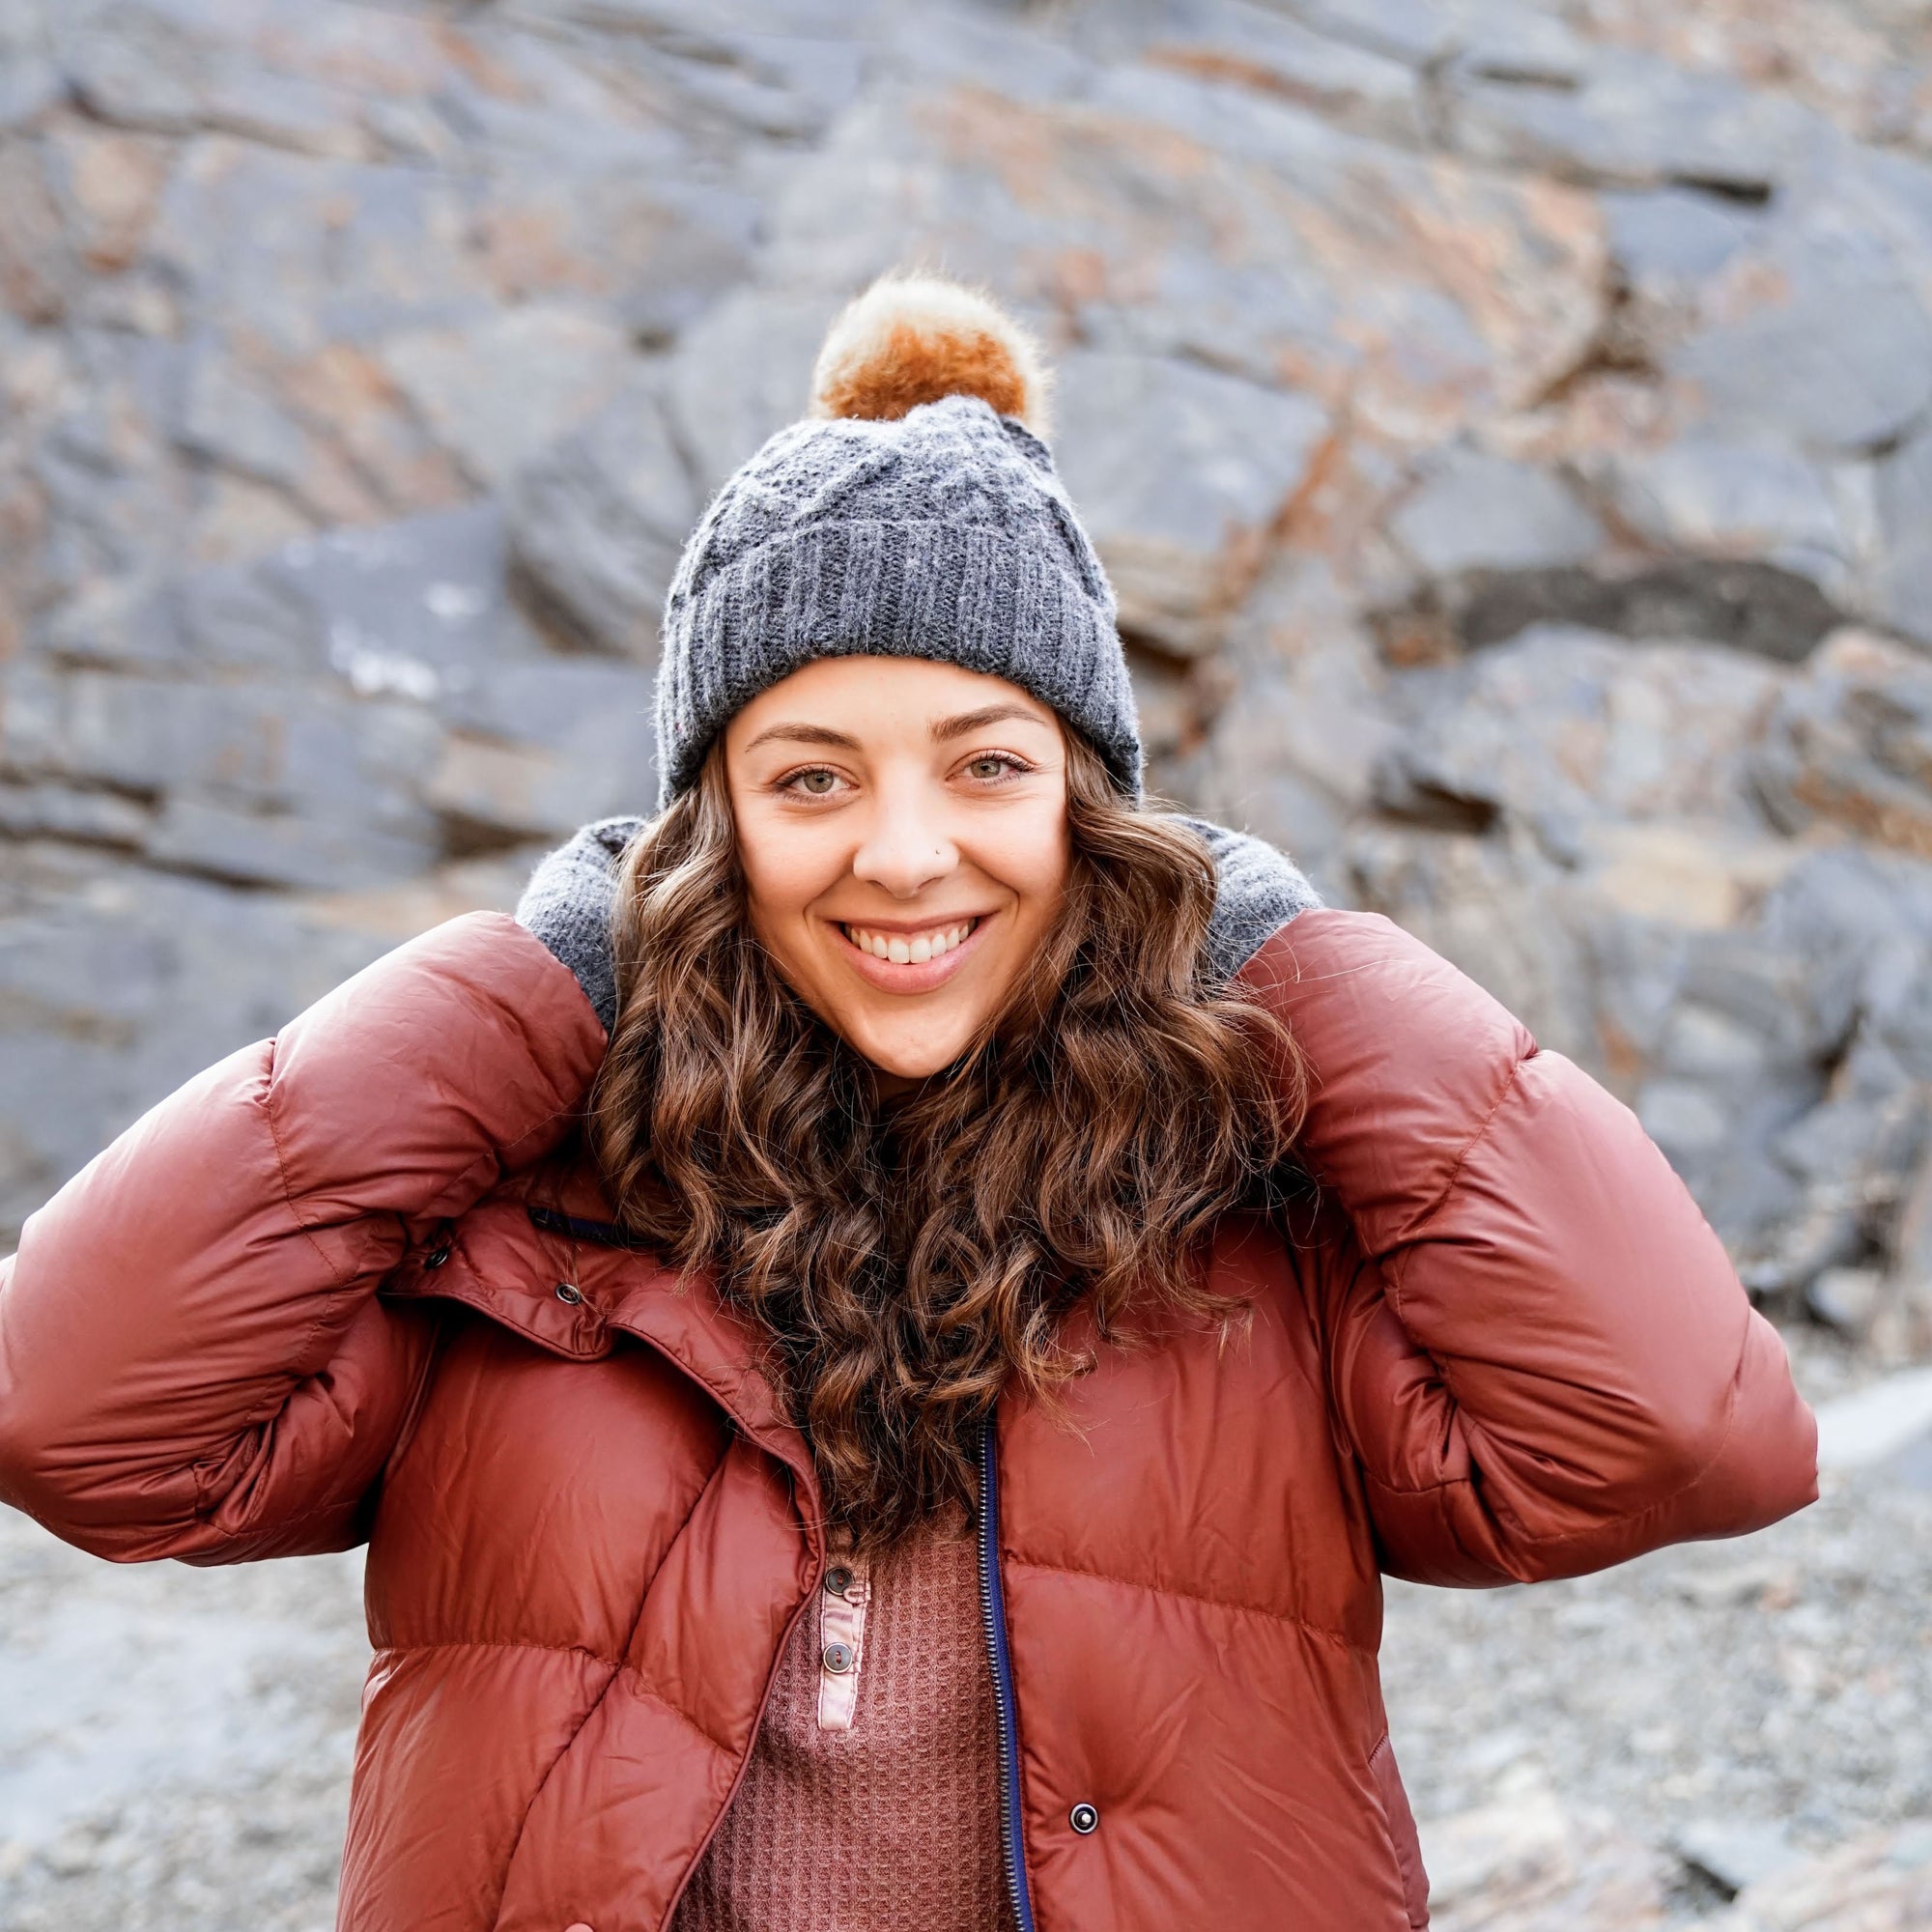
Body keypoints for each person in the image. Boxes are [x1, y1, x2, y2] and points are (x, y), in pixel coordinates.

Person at [0, 274, 1817, 1932]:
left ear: (1091, 807)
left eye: (989, 764)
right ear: (704, 840)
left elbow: (1674, 1433)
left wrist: (1276, 954)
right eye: (809, 776)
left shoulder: (1254, 1218)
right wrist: (544, 980)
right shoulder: (517, 1226)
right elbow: (75, 1415)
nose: (904, 852)